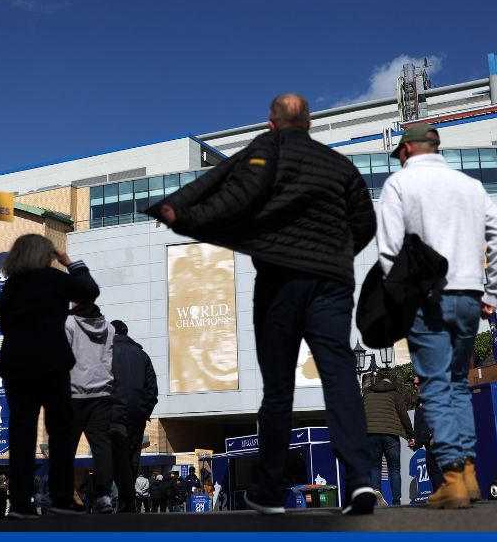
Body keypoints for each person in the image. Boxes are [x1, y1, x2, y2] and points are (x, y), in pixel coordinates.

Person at [151, 94, 378, 515]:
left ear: (272, 125)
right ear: (309, 123)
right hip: (331, 283)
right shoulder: (339, 165)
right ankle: (361, 481)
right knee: (339, 376)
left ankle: (271, 492)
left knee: (278, 389)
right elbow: (365, 222)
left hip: (279, 281)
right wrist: (337, 256)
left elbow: (237, 197)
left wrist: (184, 216)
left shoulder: (266, 151)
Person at [377, 123, 497, 509]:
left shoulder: (399, 185)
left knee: (435, 387)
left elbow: (389, 252)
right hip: (468, 296)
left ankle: (454, 477)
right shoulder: (469, 186)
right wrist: (493, 293)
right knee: (457, 386)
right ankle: (467, 473)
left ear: (406, 150)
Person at [0, 234, 99, 519]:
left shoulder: (11, 287)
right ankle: (61, 498)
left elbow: (4, 322)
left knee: (21, 432)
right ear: (45, 255)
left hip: (17, 364)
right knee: (60, 431)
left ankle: (19, 503)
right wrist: (69, 262)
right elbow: (89, 291)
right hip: (51, 362)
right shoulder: (53, 279)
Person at [66, 302, 116, 514]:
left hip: (75, 393)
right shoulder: (109, 327)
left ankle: (62, 494)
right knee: (102, 446)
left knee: (66, 445)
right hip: (102, 394)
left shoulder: (69, 323)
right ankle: (104, 496)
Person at [109, 320, 158, 513]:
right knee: (132, 454)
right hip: (137, 413)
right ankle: (128, 500)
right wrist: (146, 411)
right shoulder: (142, 355)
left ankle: (125, 499)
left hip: (113, 412)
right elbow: (152, 389)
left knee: (116, 455)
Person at [363, 370, 415, 505]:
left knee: (375, 466)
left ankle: (376, 489)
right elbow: (403, 415)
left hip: (371, 434)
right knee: (394, 468)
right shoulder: (394, 394)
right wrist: (410, 435)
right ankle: (396, 501)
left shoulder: (367, 395)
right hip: (391, 434)